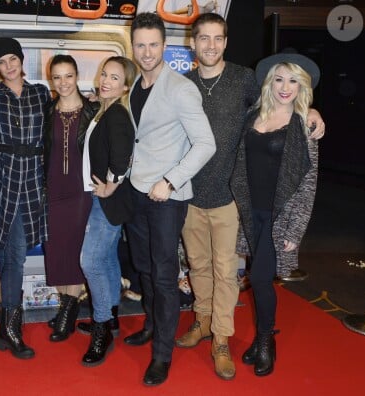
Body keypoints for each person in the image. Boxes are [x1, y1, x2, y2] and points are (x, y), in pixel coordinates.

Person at [176, 13, 326, 381]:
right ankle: (204, 322)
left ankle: (231, 341)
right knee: (200, 268)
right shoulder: (186, 87)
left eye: (218, 38)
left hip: (236, 203)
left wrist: (314, 112)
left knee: (237, 275)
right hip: (207, 198)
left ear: (226, 41)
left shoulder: (245, 79)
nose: (210, 45)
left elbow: (306, 181)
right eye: (203, 39)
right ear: (192, 44)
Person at [123, 12, 216, 386]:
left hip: (166, 197)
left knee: (163, 277)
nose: (147, 52)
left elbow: (206, 144)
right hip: (135, 191)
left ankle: (162, 354)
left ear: (165, 46)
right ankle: (150, 325)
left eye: (154, 45)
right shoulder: (133, 86)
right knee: (143, 268)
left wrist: (170, 181)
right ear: (133, 47)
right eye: (141, 45)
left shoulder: (180, 88)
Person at [230, 52, 320, 377]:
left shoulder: (304, 125)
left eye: (293, 80)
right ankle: (260, 337)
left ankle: (266, 340)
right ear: (270, 81)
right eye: (280, 79)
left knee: (259, 279)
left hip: (278, 217)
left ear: (302, 86)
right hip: (250, 212)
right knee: (259, 276)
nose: (285, 87)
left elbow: (308, 184)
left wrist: (295, 232)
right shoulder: (253, 115)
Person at [0, 37, 51, 359]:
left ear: (21, 59)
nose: (8, 66)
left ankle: (6, 328)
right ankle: (9, 329)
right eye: (1, 62)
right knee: (10, 254)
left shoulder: (41, 93)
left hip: (33, 178)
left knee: (13, 255)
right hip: (1, 177)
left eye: (12, 59)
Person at [80, 56, 137, 367]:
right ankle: (111, 316)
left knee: (90, 261)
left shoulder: (116, 114)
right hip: (103, 198)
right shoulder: (105, 110)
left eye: (115, 78)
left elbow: (122, 157)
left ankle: (102, 329)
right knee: (108, 258)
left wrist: (112, 185)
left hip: (108, 199)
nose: (106, 81)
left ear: (126, 86)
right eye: (105, 74)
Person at [42, 54, 98, 342]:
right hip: (53, 190)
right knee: (57, 250)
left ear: (77, 76)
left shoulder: (93, 111)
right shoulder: (47, 111)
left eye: (68, 76)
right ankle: (67, 307)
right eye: (57, 77)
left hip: (81, 191)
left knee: (75, 249)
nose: (63, 83)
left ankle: (67, 313)